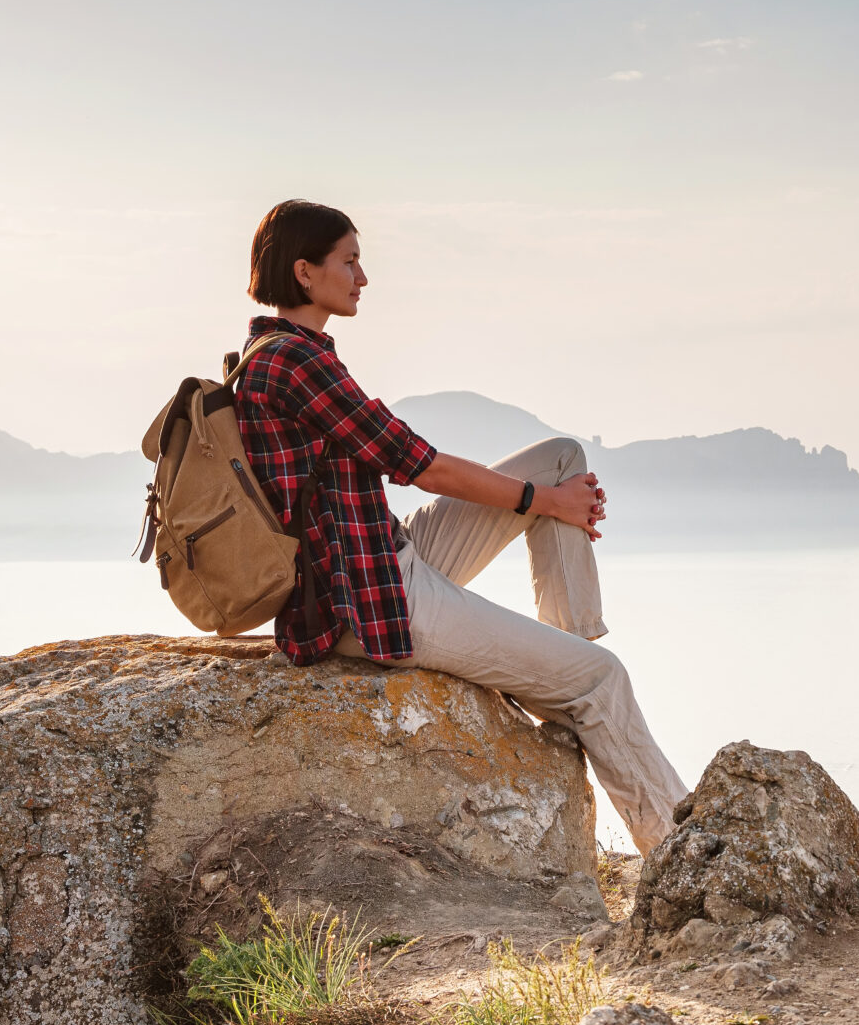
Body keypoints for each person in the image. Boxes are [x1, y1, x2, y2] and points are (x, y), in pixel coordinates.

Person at [231, 198, 689, 853]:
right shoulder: (299, 366)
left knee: (564, 457)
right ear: (305, 273)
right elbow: (421, 465)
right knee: (602, 679)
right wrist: (543, 503)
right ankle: (677, 857)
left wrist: (551, 493)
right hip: (371, 599)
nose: (363, 277)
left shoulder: (269, 353)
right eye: (351, 261)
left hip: (384, 553)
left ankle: (566, 653)